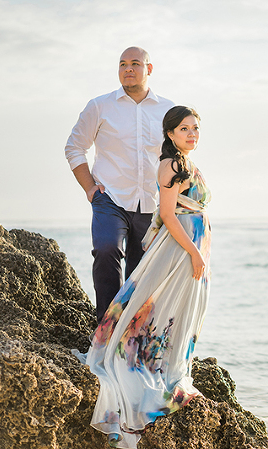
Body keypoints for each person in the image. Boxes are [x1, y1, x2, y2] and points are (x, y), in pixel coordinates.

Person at [84, 106, 212, 448]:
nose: (191, 134)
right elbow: (169, 215)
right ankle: (144, 369)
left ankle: (171, 365)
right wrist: (195, 252)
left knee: (179, 309)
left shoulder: (187, 164)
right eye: (184, 129)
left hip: (189, 248)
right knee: (159, 309)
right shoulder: (170, 165)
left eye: (195, 129)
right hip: (179, 249)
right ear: (170, 133)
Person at [64, 47, 175, 323]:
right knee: (106, 250)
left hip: (151, 203)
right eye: (123, 64)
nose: (128, 69)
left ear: (149, 69)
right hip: (109, 198)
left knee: (141, 271)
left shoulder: (168, 110)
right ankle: (105, 329)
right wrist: (90, 188)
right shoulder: (100, 106)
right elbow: (75, 147)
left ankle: (130, 339)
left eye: (135, 63)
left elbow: (176, 155)